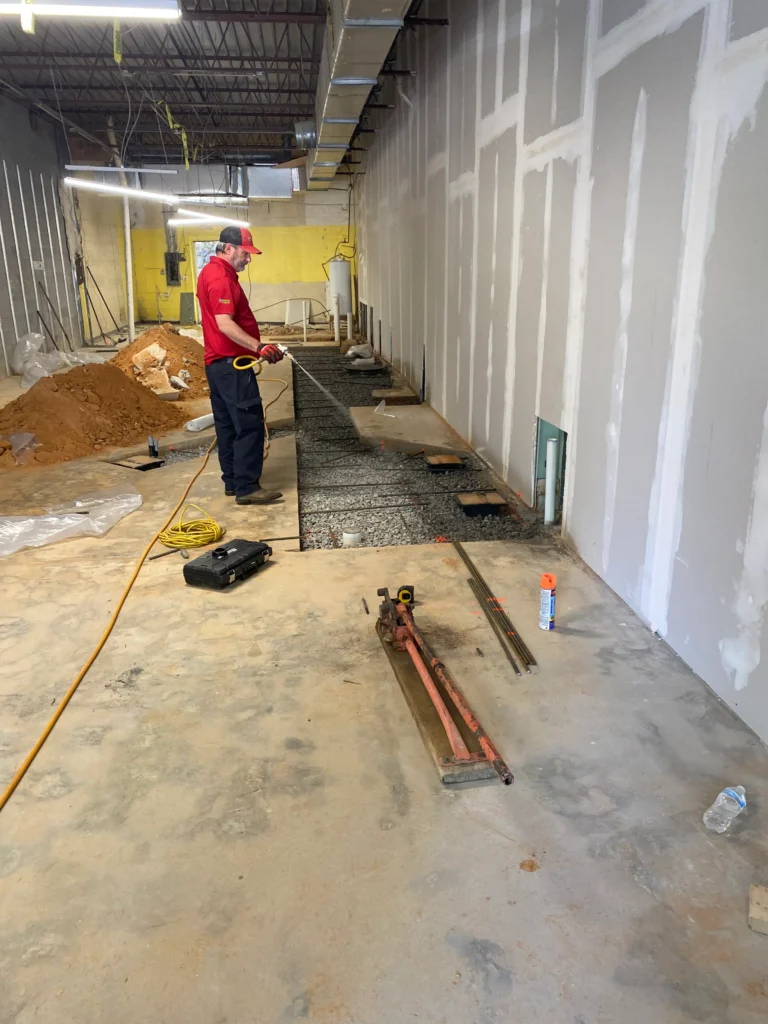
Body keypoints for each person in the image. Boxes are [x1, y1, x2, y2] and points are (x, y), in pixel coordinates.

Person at [196, 226, 285, 504]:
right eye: (246, 253)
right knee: (248, 424)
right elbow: (225, 324)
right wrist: (259, 347)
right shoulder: (221, 278)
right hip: (231, 366)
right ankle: (247, 487)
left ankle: (233, 482)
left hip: (218, 365)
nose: (249, 259)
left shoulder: (210, 273)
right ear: (229, 248)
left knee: (228, 426)